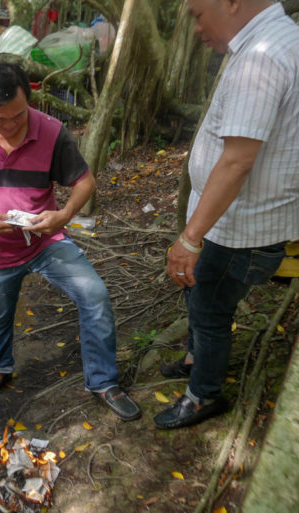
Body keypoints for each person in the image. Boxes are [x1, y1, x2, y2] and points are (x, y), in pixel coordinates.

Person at [0, 63, 141, 422]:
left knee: (94, 295)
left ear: (29, 101)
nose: (9, 126)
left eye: (18, 116)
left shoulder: (52, 132)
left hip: (47, 241)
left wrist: (63, 216)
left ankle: (103, 382)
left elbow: (85, 182)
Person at [154, 0, 299, 430]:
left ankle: (203, 395)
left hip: (240, 227)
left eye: (198, 13)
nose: (196, 29)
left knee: (210, 309)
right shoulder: (272, 41)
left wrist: (189, 239)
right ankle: (198, 358)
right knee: (199, 294)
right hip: (229, 218)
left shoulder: (263, 57)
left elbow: (237, 160)